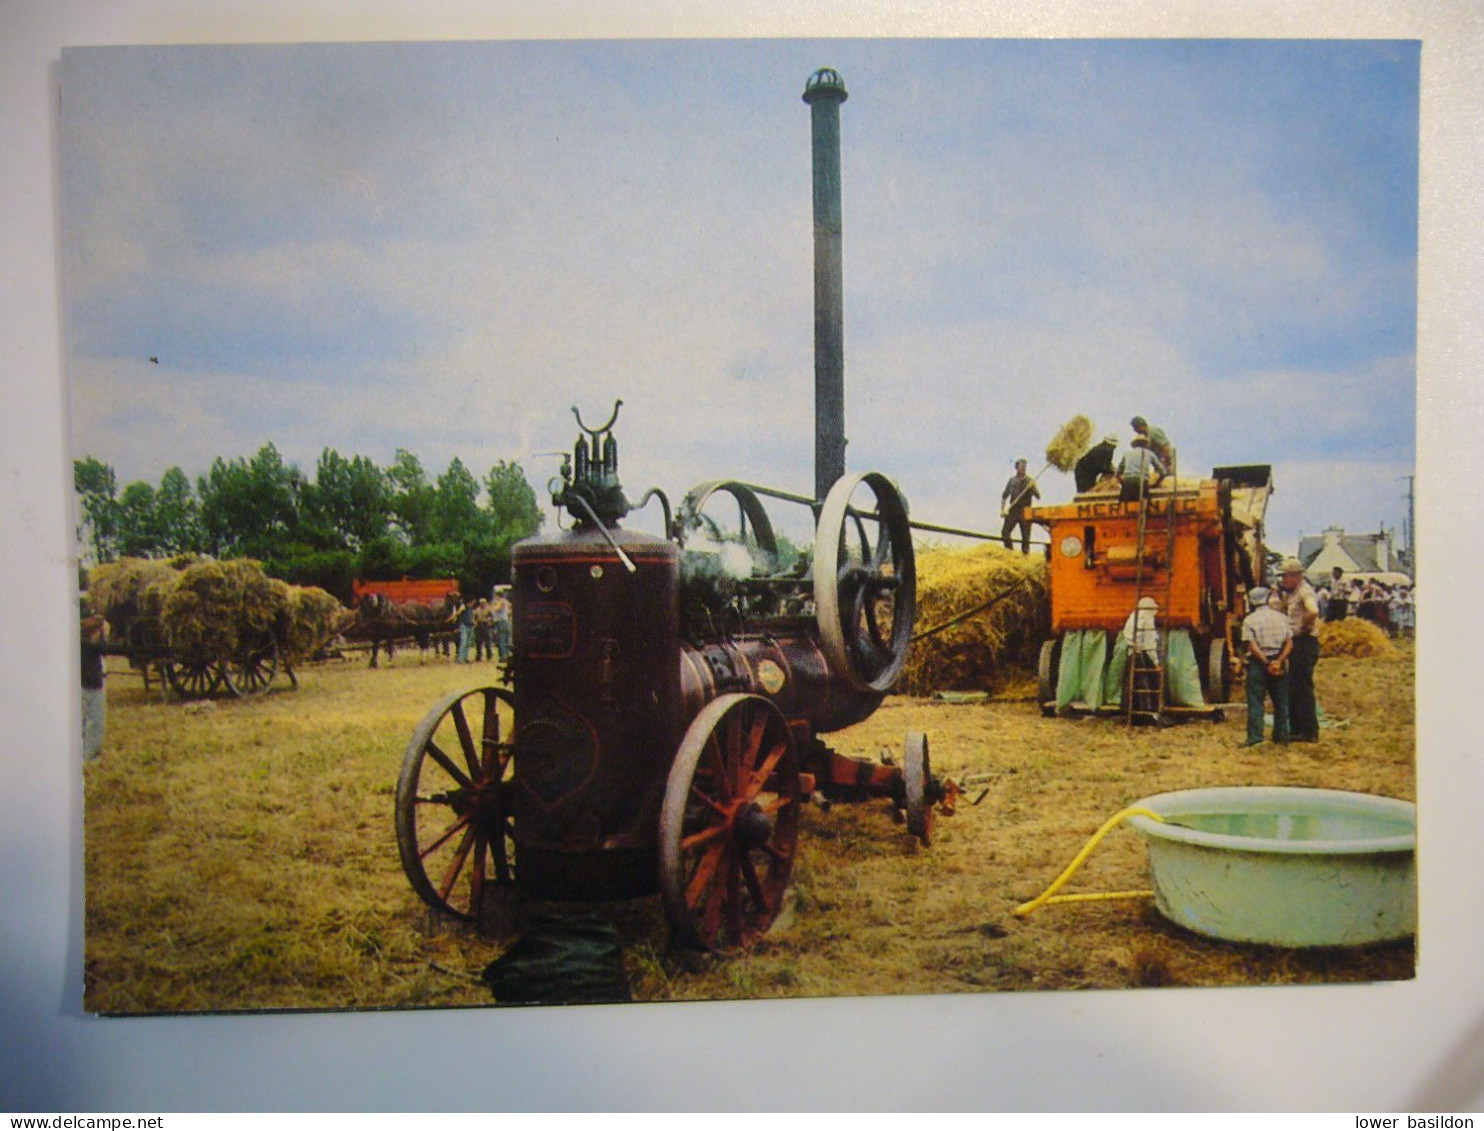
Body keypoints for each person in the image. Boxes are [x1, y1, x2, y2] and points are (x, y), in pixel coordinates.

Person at [1240, 586, 1292, 747]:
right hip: (1278, 659)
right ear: (1267, 599)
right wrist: (1279, 661)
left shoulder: (1249, 620)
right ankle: (1281, 736)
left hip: (1259, 662)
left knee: (1256, 700)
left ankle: (1255, 737)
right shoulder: (1281, 618)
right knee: (1281, 700)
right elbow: (1289, 642)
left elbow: (1252, 646)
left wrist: (1266, 662)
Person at [1278, 556, 1321, 742]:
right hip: (1297, 642)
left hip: (1304, 642)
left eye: (1285, 576)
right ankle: (1297, 728)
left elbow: (1313, 611)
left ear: (1295, 576)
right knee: (1294, 686)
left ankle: (1308, 731)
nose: (1283, 580)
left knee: (1302, 687)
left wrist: (1304, 626)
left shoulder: (1305, 592)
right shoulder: (1293, 592)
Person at [1121, 595, 1170, 726]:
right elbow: (1149, 643)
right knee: (1148, 684)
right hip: (1141, 655)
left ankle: (1133, 715)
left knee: (1132, 685)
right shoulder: (1147, 619)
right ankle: (1149, 715)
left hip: (1132, 654)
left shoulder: (1133, 617)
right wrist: (1155, 662)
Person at [80, 598, 107, 762]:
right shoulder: (87, 644)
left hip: (85, 683)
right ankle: (89, 757)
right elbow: (101, 648)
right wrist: (103, 636)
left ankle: (85, 754)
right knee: (96, 721)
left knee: (83, 721)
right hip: (91, 683)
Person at [999, 458, 1040, 554]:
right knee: (1005, 532)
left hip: (1025, 511)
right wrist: (1002, 510)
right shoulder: (1012, 481)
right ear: (1017, 467)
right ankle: (1009, 553)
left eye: (1025, 467)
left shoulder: (1030, 481)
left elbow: (1038, 496)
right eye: (1022, 466)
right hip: (1013, 510)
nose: (1024, 468)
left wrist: (1032, 488)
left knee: (1025, 538)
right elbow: (1004, 496)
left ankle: (1025, 559)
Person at [1117, 437, 1166, 502]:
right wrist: (1156, 484)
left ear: (1134, 445)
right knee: (1144, 506)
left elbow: (1118, 473)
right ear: (1146, 445)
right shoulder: (1149, 453)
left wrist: (1123, 483)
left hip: (1128, 482)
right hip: (1142, 481)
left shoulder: (1127, 454)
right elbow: (1163, 471)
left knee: (1124, 506)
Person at [491, 587, 513, 664]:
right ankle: (506, 655)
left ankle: (503, 657)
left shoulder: (501, 601)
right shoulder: (506, 601)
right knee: (505, 640)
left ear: (498, 595)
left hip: (501, 622)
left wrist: (493, 607)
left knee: (502, 639)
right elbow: (510, 607)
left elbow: (498, 609)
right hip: (505, 621)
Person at [454, 597, 475, 664]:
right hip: (464, 626)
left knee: (467, 643)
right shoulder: (464, 606)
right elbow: (457, 614)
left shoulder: (471, 609)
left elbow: (471, 617)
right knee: (464, 642)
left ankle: (465, 657)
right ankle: (460, 659)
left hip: (470, 626)